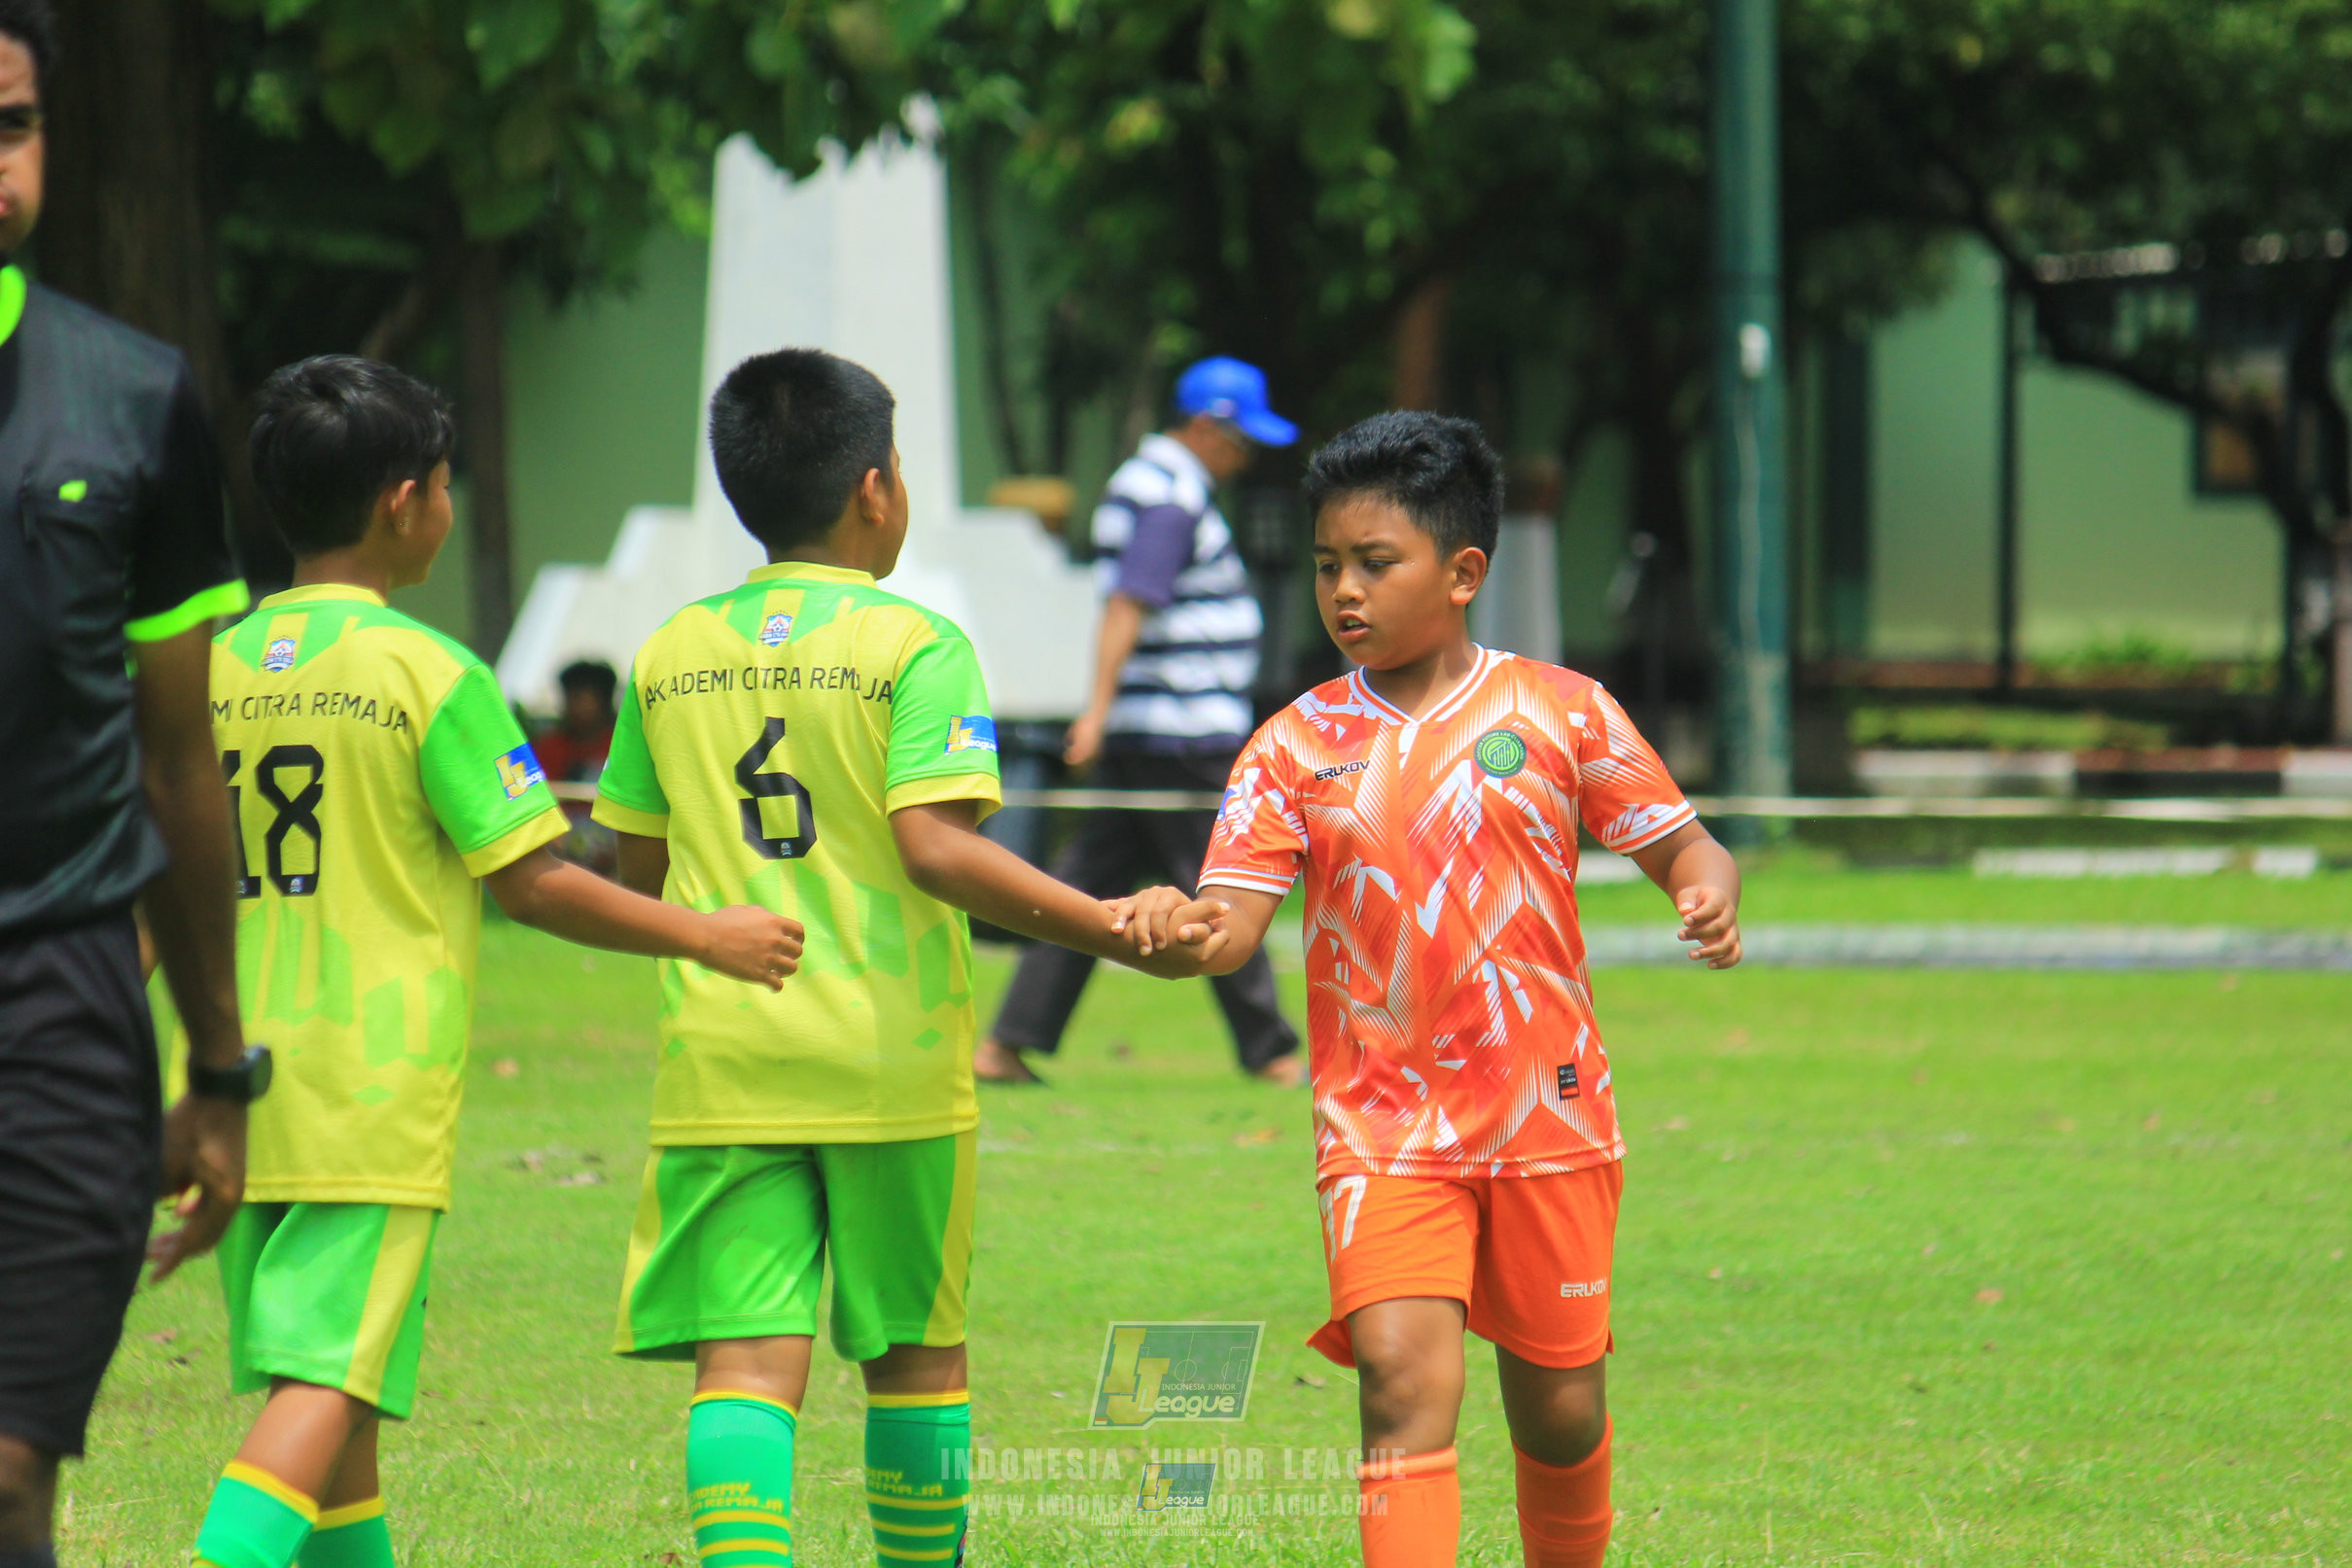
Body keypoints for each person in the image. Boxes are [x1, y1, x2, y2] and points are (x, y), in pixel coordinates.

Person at [589, 347, 1218, 1568]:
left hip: (724, 1055)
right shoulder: (917, 643)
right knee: (916, 1355)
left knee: (743, 1359)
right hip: (891, 1058)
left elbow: (641, 873)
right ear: (876, 487)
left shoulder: (668, 652)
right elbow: (936, 846)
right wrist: (1106, 926)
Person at [184, 356, 802, 1568]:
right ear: (404, 501)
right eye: (444, 484)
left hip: (229, 1078)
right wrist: (704, 932)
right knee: (324, 1389)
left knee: (340, 1407)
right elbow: (532, 878)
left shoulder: (210, 665)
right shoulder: (429, 675)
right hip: (366, 1086)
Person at [1141, 411, 1744, 1568]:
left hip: (1547, 1117)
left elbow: (1687, 844)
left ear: (1463, 572)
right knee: (1400, 1382)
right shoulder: (1290, 744)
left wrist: (1705, 893)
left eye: (1375, 562)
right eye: (1327, 563)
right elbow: (1228, 929)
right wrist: (1176, 924)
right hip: (1380, 1127)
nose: (1343, 590)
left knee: (1559, 1409)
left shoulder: (1563, 709)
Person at [0, 6, 257, 1563]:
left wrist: (219, 1067)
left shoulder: (130, 394)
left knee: (11, 1473)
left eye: (13, 123)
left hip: (62, 992)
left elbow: (179, 761)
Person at [975, 355, 1304, 1087]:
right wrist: (1095, 710)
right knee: (1227, 880)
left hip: (1152, 726)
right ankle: (1272, 1051)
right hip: (1180, 730)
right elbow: (1130, 604)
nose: (1245, 457)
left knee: (1086, 893)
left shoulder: (1152, 485)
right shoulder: (1169, 497)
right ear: (1206, 427)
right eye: (1241, 440)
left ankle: (1007, 1042)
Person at [535, 659, 621, 873]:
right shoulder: (549, 747)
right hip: (561, 846)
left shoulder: (621, 746)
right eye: (572, 697)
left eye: (583, 698)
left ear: (603, 700)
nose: (576, 707)